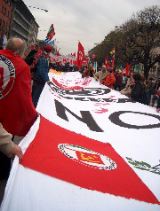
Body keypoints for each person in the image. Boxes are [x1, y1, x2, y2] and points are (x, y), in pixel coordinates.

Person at [0, 37, 38, 137]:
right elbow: (24, 96)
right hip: (4, 119)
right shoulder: (22, 66)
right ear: (18, 52)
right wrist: (34, 116)